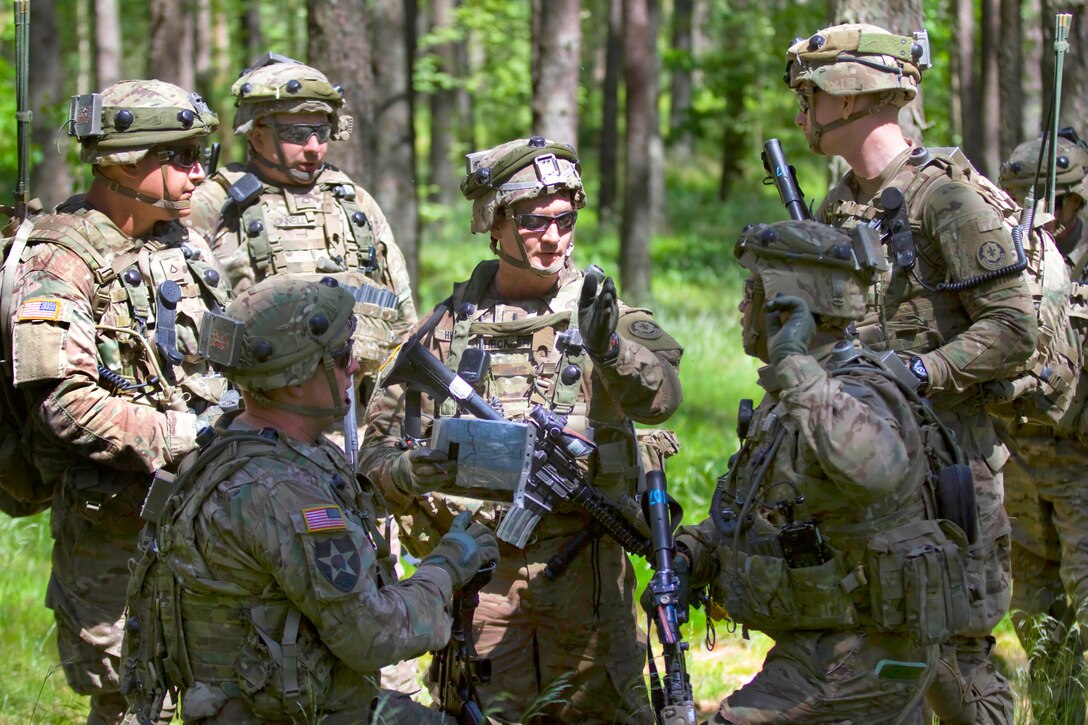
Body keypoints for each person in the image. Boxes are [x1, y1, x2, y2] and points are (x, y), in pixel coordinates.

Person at [359, 136, 684, 723]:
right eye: (535, 221)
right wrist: (410, 470)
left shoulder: (604, 313)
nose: (554, 237)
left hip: (586, 577)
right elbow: (372, 461)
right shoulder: (443, 331)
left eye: (566, 219)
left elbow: (660, 399)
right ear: (495, 222)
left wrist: (608, 345)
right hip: (480, 581)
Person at [785, 23, 1039, 724]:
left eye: (810, 95)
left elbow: (1014, 326)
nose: (801, 114)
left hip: (949, 474)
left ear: (850, 92)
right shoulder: (838, 204)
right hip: (864, 472)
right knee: (875, 659)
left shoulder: (947, 201)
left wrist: (918, 371)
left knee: (955, 665)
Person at [123, 275, 498, 724]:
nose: (355, 368)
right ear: (296, 382)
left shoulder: (234, 445)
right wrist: (448, 565)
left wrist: (400, 476)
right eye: (340, 357)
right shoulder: (281, 493)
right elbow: (373, 636)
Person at [675, 219, 972, 724]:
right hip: (830, 643)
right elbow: (761, 510)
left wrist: (793, 361)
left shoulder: (853, 390)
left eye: (752, 294)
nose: (742, 309)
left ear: (785, 308)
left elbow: (875, 470)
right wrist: (688, 553)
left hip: (863, 652)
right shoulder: (803, 391)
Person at [6, 80, 231, 724]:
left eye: (201, 155)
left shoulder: (180, 241)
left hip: (203, 515)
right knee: (134, 702)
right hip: (117, 531)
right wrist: (188, 435)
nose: (198, 173)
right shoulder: (62, 260)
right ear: (125, 161)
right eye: (183, 156)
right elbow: (66, 403)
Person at [185, 51, 416, 405]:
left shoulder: (353, 202)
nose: (314, 148)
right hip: (253, 416)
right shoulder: (214, 204)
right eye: (296, 133)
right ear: (256, 133)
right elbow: (188, 330)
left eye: (321, 132)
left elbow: (402, 320)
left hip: (351, 412)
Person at [997, 131, 1088, 722]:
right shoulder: (1004, 259)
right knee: (1035, 615)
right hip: (1020, 465)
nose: (1045, 217)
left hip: (1081, 467)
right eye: (1028, 201)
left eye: (1057, 203)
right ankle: (1061, 713)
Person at [1000, 130, 1088, 279]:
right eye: (1023, 204)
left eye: (1050, 203)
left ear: (1075, 201)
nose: (1033, 215)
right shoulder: (1005, 247)